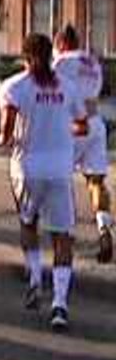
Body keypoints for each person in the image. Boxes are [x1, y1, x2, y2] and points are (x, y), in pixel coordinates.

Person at [0, 33, 87, 331]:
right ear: (51, 56)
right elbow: (82, 124)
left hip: (27, 169)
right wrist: (61, 129)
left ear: (25, 56)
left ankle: (35, 278)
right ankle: (60, 304)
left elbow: (6, 134)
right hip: (59, 169)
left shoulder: (14, 87)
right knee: (63, 236)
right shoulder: (68, 87)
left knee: (28, 223)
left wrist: (2, 138)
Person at [53, 25, 114, 263]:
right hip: (96, 123)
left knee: (61, 177)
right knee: (96, 181)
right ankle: (104, 229)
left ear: (62, 43)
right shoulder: (93, 62)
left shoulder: (62, 61)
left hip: (73, 125)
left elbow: (45, 83)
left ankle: (66, 231)